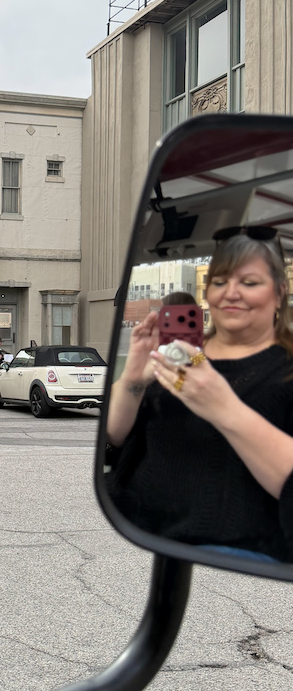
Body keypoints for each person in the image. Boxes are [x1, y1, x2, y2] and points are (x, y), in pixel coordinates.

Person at [106, 227, 293, 563]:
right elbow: (115, 435)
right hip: (128, 524)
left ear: (279, 292)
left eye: (249, 282)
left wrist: (224, 407)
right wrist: (134, 377)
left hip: (226, 549)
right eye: (219, 282)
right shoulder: (182, 354)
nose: (230, 293)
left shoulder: (286, 368)